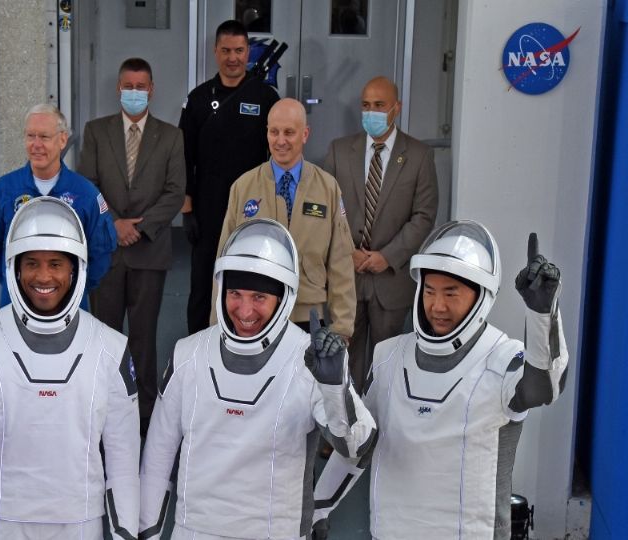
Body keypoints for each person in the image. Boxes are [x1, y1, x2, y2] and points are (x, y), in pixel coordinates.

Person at [312, 222, 569, 539]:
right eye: (430, 291)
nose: (438, 306)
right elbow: (360, 446)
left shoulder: (504, 357)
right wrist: (319, 506)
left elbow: (544, 388)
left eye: (452, 293)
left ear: (481, 296)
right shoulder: (389, 356)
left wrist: (543, 315)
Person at [139, 219, 376, 540]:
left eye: (259, 297)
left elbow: (356, 446)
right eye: (235, 293)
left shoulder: (313, 358)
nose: (245, 309)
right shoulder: (189, 354)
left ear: (284, 297)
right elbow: (157, 458)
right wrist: (147, 533)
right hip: (195, 530)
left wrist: (334, 387)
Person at [0, 197, 140, 539]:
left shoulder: (110, 348)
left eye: (56, 264)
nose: (44, 276)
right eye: (32, 263)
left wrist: (124, 533)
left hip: (80, 524)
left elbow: (123, 462)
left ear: (75, 268)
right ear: (15, 268)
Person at [77, 57, 186, 435]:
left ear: (152, 89)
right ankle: (103, 405)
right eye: (128, 86)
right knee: (105, 333)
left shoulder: (171, 136)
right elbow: (86, 186)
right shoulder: (95, 131)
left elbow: (174, 193)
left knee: (143, 335)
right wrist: (113, 225)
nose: (134, 93)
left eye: (141, 86)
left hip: (148, 250)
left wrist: (141, 228)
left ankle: (144, 414)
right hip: (108, 250)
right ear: (118, 88)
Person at [323, 75, 439, 391]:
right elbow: (326, 208)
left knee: (387, 364)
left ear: (396, 108)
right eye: (365, 105)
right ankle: (344, 431)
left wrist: (387, 257)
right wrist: (348, 251)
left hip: (391, 279)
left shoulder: (419, 155)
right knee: (343, 361)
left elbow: (424, 216)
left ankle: (381, 432)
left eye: (379, 105)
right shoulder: (338, 151)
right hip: (346, 275)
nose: (371, 112)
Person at [217, 98, 356, 339]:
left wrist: (342, 329)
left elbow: (341, 263)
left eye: (289, 132)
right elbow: (224, 261)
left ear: (305, 134)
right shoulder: (244, 186)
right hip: (256, 316)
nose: (280, 141)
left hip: (308, 317)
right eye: (274, 132)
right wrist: (217, 324)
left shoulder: (327, 188)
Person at [181, 19, 280, 334]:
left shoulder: (265, 97)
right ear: (215, 52)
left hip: (254, 206)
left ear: (248, 51)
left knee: (249, 282)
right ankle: (197, 347)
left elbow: (278, 153)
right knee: (203, 286)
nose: (233, 57)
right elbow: (184, 156)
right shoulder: (198, 99)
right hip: (208, 209)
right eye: (226, 50)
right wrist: (187, 210)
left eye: (239, 50)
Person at [0, 103, 117, 309]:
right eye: (30, 136)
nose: (36, 144)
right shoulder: (3, 190)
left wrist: (70, 288)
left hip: (70, 308)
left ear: (62, 140)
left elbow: (102, 253)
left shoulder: (86, 194)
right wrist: (19, 286)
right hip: (16, 307)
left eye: (44, 137)